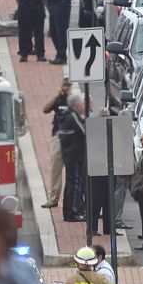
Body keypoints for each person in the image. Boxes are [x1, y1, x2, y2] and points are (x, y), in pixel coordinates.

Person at [40, 79, 73, 208]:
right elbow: (45, 109)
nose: (66, 88)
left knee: (72, 171)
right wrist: (56, 97)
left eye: (68, 86)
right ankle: (53, 198)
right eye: (64, 86)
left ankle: (71, 200)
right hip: (58, 136)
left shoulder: (74, 101)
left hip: (71, 138)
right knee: (55, 168)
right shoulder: (58, 100)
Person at [58, 94, 87, 222]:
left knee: (71, 183)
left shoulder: (68, 115)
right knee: (75, 183)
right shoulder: (72, 116)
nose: (84, 106)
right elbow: (84, 131)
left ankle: (71, 210)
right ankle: (73, 211)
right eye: (82, 104)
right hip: (74, 155)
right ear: (76, 105)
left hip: (71, 155)